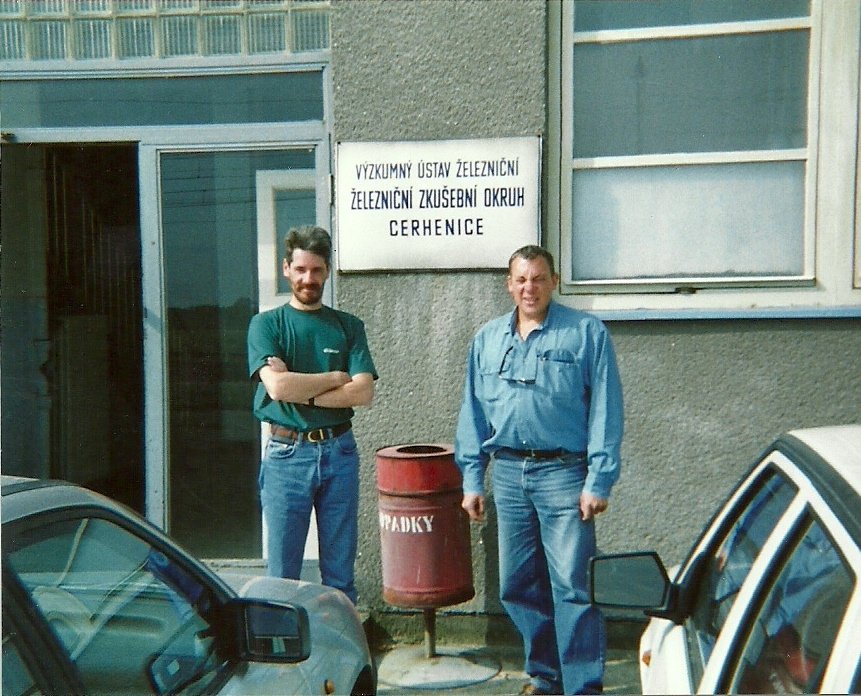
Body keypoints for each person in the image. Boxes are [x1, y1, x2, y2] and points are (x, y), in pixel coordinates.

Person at [455, 245, 624, 695]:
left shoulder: (585, 333)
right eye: (521, 279)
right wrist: (472, 478)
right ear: (509, 285)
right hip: (509, 475)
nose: (530, 288)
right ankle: (545, 678)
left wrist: (599, 479)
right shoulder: (487, 339)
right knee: (518, 584)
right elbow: (472, 414)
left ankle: (583, 685)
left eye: (538, 278)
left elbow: (606, 410)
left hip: (564, 475)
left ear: (554, 282)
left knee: (572, 584)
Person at [247, 225, 377, 604]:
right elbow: (277, 388)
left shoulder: (348, 326)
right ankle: (283, 642)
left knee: (340, 574)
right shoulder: (266, 325)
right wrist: (335, 378)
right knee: (282, 575)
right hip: (287, 455)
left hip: (340, 452)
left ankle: (338, 639)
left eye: (317, 270)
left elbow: (363, 392)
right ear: (286, 268)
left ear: (327, 271)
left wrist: (303, 390)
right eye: (301, 269)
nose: (308, 279)